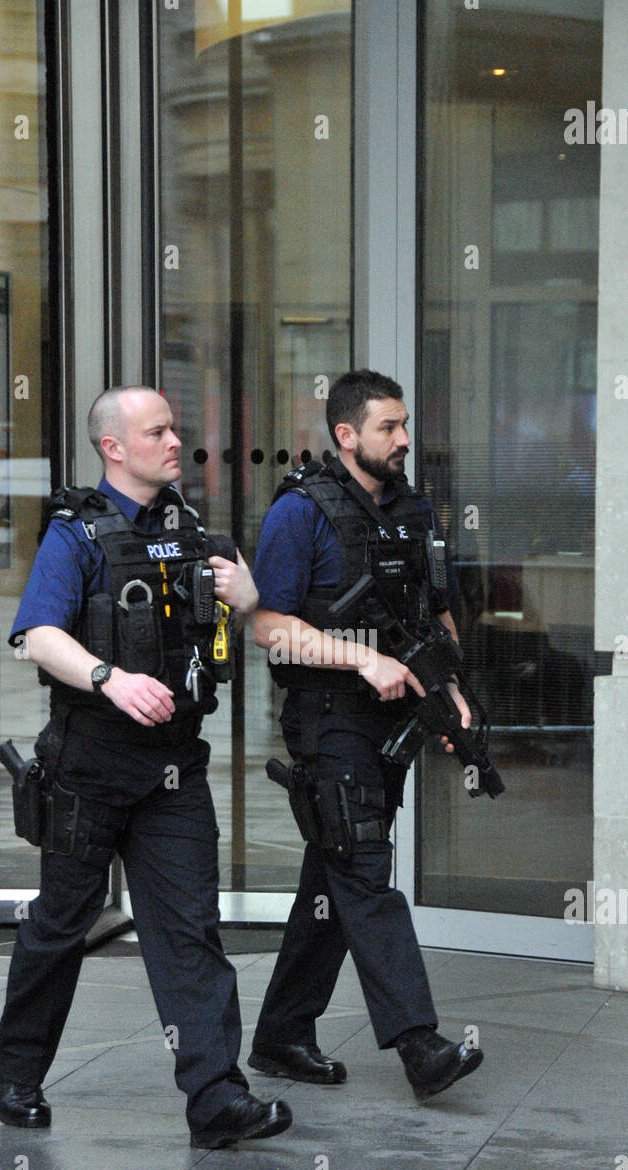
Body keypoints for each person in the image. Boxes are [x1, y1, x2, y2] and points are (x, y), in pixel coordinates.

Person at [0, 385, 292, 1149]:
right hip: (89, 765)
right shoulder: (76, 533)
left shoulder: (191, 529)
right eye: (156, 431)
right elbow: (36, 635)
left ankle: (217, 1098)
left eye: (174, 427)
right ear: (112, 448)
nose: (173, 442)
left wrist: (242, 590)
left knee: (190, 930)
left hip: (173, 771)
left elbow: (253, 609)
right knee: (60, 926)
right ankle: (16, 1073)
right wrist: (108, 678)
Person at [249, 369, 485, 1099]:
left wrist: (450, 694)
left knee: (333, 874)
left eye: (405, 424)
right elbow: (267, 628)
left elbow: (436, 612)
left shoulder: (414, 512)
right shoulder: (300, 512)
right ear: (346, 435)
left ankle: (282, 1034)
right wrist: (362, 657)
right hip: (329, 719)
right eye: (388, 427)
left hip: (394, 721)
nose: (404, 439)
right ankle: (419, 1043)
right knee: (362, 869)